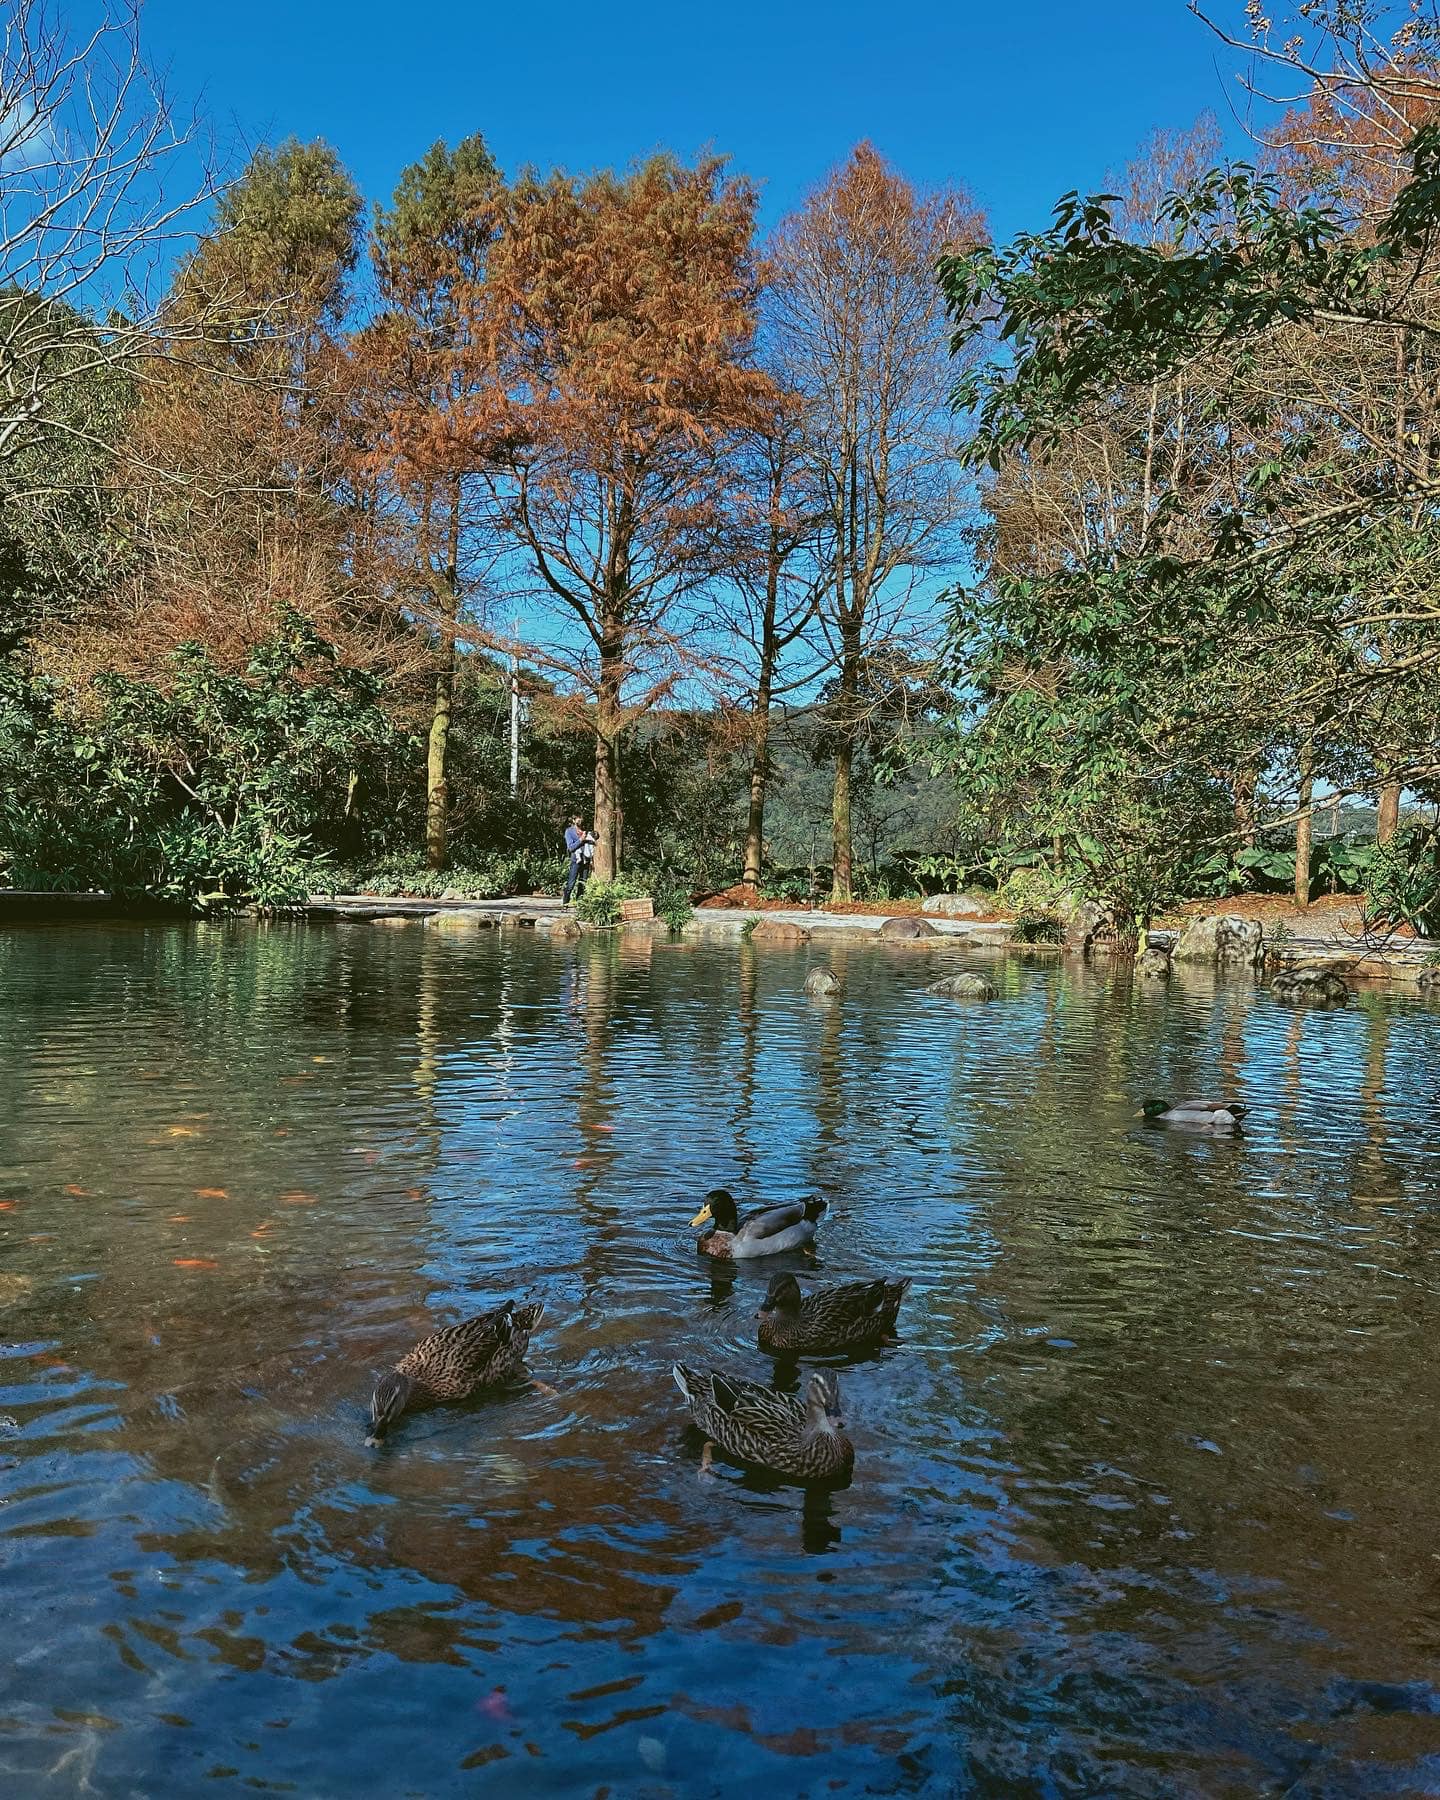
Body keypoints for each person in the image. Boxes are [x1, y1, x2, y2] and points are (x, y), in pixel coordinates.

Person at [563, 816, 589, 904]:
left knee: (583, 884)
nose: (580, 820)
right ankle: (565, 903)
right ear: (574, 820)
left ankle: (579, 904)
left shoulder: (586, 830)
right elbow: (570, 848)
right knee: (571, 883)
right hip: (575, 861)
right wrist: (581, 840)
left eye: (581, 818)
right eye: (578, 818)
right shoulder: (569, 831)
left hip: (586, 860)